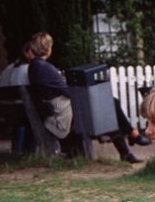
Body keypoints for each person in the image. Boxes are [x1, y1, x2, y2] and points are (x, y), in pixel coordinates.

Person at [27, 32, 144, 163]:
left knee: (109, 106)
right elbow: (68, 91)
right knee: (110, 105)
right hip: (62, 114)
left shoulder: (35, 67)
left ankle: (129, 144)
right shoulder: (45, 68)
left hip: (57, 111)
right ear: (47, 48)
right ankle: (131, 139)